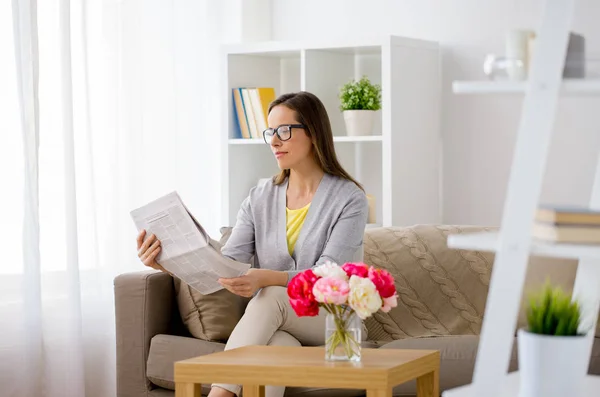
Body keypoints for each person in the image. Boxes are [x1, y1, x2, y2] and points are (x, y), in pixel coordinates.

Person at [136, 91, 369, 397]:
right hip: (279, 324)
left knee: (271, 294)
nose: (274, 141)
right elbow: (226, 264)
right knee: (275, 349)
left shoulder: (349, 198)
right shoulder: (260, 197)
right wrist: (168, 261)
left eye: (284, 131)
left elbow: (329, 275)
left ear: (313, 133)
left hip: (335, 321)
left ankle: (218, 394)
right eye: (270, 132)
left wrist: (270, 278)